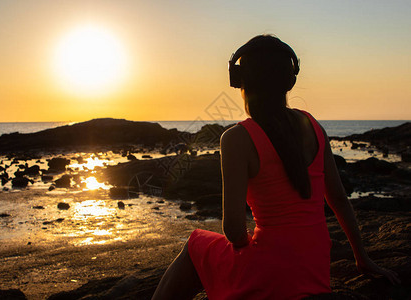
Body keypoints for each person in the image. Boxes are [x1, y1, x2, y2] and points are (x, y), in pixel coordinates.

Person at [152, 35, 400, 300]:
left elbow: (234, 231)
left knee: (195, 245)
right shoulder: (313, 126)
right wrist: (362, 259)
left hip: (271, 272)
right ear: (290, 81)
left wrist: (250, 240)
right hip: (314, 268)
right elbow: (339, 199)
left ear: (238, 81)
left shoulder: (237, 138)